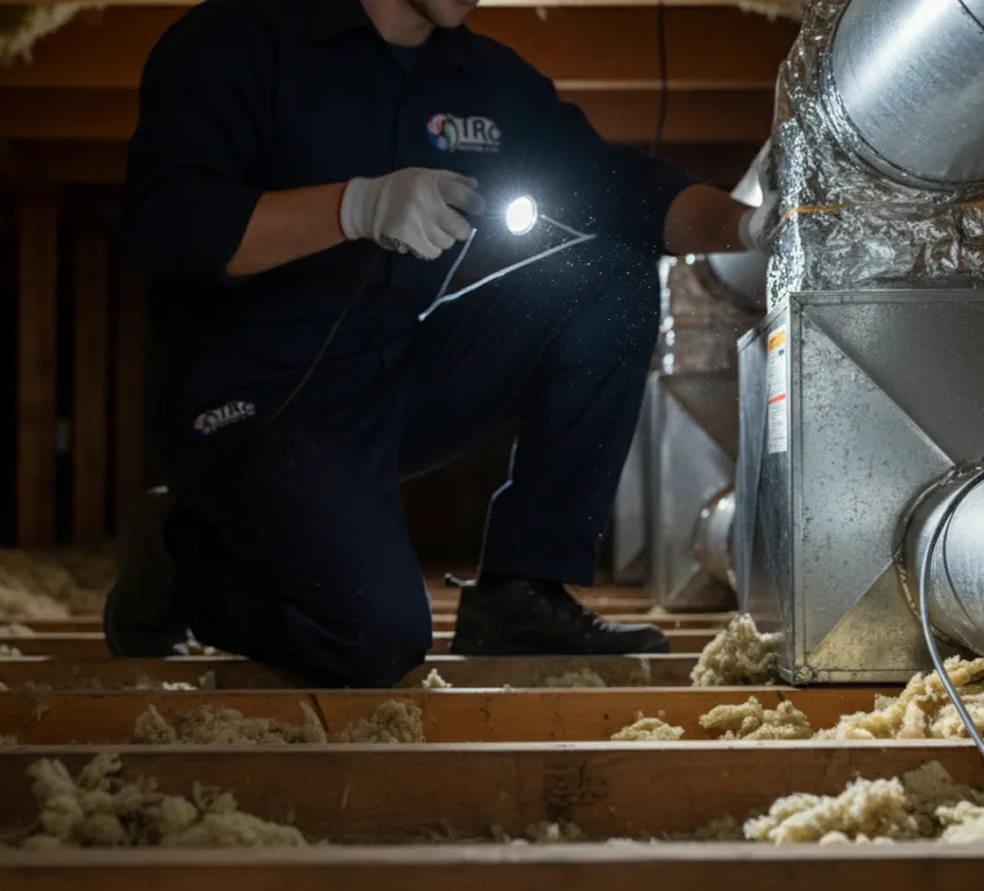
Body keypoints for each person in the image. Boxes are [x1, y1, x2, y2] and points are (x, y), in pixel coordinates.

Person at [109, 0, 771, 687]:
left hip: (390, 377)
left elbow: (619, 188)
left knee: (609, 277)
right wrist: (352, 207)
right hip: (252, 404)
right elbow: (168, 226)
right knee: (375, 637)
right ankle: (179, 555)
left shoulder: (481, 79)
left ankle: (522, 592)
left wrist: (749, 228)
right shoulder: (238, 40)